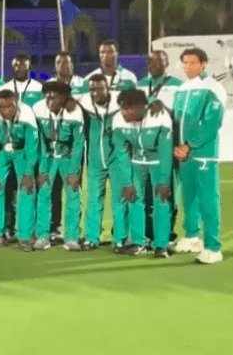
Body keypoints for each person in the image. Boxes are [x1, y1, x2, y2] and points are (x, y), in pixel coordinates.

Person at [172, 47, 226, 264]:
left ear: (203, 64)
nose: (188, 67)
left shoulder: (213, 88)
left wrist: (189, 145)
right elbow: (177, 121)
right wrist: (177, 147)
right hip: (184, 155)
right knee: (189, 198)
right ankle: (192, 237)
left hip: (204, 154)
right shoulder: (181, 89)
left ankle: (213, 247)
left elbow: (212, 122)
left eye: (193, 62)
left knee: (208, 201)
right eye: (185, 63)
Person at [113, 89, 172, 257]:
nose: (124, 112)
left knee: (162, 199)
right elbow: (121, 152)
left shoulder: (160, 116)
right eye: (122, 108)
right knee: (133, 198)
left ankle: (161, 245)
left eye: (128, 108)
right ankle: (138, 243)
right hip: (136, 162)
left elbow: (166, 150)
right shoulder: (118, 119)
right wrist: (127, 182)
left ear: (141, 107)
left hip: (158, 162)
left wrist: (164, 181)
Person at [0, 90, 38, 251]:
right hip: (1, 151)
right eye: (2, 107)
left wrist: (28, 172)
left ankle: (24, 236)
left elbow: (32, 146)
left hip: (22, 151)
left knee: (26, 189)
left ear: (16, 104)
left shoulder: (27, 114)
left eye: (9, 106)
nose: (5, 110)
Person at [137, 49, 183, 246]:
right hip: (146, 147)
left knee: (167, 190)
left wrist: (163, 108)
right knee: (147, 192)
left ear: (167, 63)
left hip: (168, 145)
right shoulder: (140, 85)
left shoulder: (178, 85)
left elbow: (181, 115)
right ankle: (148, 234)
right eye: (151, 61)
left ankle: (167, 234)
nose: (154, 65)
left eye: (159, 61)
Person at [32, 82, 84, 251]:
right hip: (47, 157)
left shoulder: (75, 111)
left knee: (73, 195)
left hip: (67, 157)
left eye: (54, 97)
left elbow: (78, 143)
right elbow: (39, 140)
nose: (50, 101)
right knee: (43, 195)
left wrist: (75, 171)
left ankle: (72, 237)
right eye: (47, 96)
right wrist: (41, 167)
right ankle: (42, 236)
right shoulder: (38, 108)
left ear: (64, 98)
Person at [1, 53, 43, 240]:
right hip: (9, 146)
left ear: (29, 66)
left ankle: (28, 229)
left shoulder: (38, 88)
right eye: (16, 65)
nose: (19, 68)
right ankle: (7, 227)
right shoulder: (4, 88)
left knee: (27, 186)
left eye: (22, 65)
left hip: (30, 144)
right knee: (7, 188)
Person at [45, 52, 86, 239]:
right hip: (53, 147)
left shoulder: (82, 84)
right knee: (53, 189)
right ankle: (54, 227)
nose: (63, 65)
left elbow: (86, 105)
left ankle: (74, 230)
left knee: (73, 186)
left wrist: (72, 100)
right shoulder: (49, 85)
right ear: (55, 65)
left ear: (72, 64)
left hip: (74, 143)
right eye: (59, 62)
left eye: (67, 62)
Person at [78, 74, 121, 251]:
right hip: (95, 160)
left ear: (108, 88)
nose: (95, 93)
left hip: (116, 160)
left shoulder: (119, 104)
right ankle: (91, 238)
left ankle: (119, 238)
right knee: (94, 200)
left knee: (119, 200)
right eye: (92, 89)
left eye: (99, 88)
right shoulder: (85, 105)